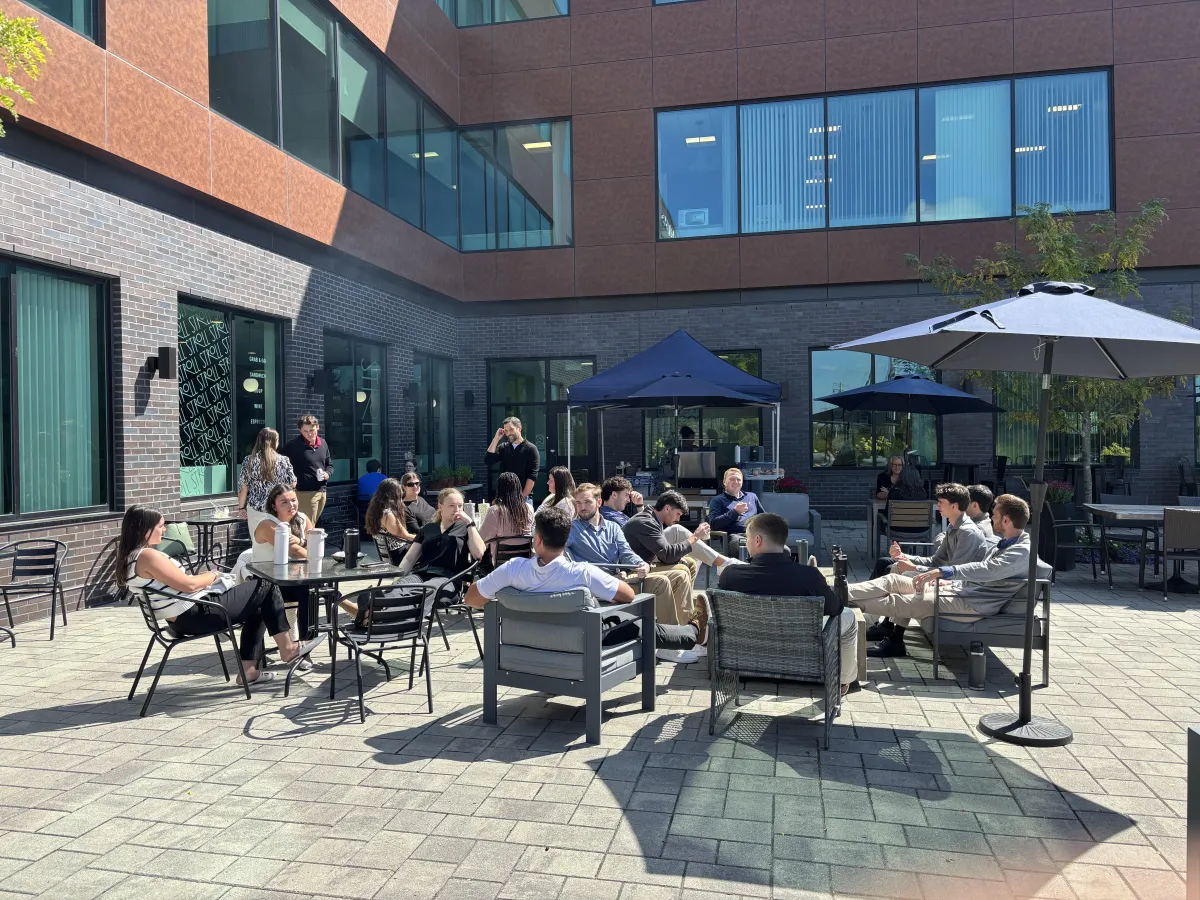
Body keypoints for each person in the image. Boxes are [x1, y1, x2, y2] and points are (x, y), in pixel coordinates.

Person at [465, 506, 708, 664]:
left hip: (523, 647)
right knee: (639, 623)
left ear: (537, 540)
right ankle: (692, 633)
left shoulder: (512, 570)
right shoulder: (583, 573)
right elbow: (627, 595)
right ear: (566, 538)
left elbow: (472, 599)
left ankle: (690, 633)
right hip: (578, 646)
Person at [848, 494, 1052, 658]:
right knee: (893, 580)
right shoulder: (1006, 542)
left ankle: (844, 603)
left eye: (994, 515)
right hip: (961, 591)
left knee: (901, 600)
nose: (990, 518)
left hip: (973, 604)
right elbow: (972, 568)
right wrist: (948, 582)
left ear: (1006, 520)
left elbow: (988, 571)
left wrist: (947, 573)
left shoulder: (1022, 551)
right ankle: (840, 592)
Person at [118, 506, 301, 686]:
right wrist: (212, 575)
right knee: (266, 585)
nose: (164, 530)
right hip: (196, 614)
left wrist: (203, 579)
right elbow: (189, 585)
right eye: (160, 526)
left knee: (258, 602)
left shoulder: (130, 558)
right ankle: (287, 648)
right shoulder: (148, 556)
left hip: (183, 618)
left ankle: (249, 672)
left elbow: (181, 584)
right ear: (145, 530)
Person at [718, 513, 859, 693]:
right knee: (848, 616)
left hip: (748, 653)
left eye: (747, 538)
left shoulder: (731, 575)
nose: (746, 542)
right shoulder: (809, 576)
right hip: (799, 650)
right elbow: (835, 609)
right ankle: (843, 681)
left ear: (758, 540)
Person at [566, 483, 699, 663]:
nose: (582, 507)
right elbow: (558, 552)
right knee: (661, 582)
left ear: (598, 502)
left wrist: (641, 564)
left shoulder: (613, 527)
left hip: (620, 578)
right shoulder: (572, 529)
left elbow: (627, 552)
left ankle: (682, 634)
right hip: (599, 584)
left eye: (587, 502)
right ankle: (667, 645)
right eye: (578, 503)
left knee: (679, 575)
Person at [866, 483, 989, 641]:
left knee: (907, 573)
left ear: (954, 506)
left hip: (959, 588)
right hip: (947, 578)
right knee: (897, 566)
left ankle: (895, 637)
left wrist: (913, 567)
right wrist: (904, 556)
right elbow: (936, 560)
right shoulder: (954, 527)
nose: (937, 505)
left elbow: (956, 572)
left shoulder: (968, 532)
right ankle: (890, 628)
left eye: (941, 502)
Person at [623, 491, 728, 626]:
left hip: (645, 565)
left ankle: (683, 614)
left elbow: (665, 554)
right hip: (633, 571)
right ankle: (686, 626)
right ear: (667, 508)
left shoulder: (653, 518)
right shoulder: (646, 522)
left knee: (689, 563)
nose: (678, 519)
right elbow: (668, 555)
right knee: (681, 574)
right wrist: (695, 537)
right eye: (678, 514)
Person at [395, 487, 487, 618]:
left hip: (448, 579)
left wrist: (469, 523)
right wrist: (397, 578)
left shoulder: (465, 529)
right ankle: (370, 612)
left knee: (426, 590)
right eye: (452, 505)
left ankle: (393, 616)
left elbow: (479, 554)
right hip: (422, 574)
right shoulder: (427, 528)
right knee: (398, 587)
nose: (457, 510)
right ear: (440, 506)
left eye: (460, 506)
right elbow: (409, 559)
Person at [236, 427, 296, 534]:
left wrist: (241, 508)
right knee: (279, 541)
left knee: (257, 542)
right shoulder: (284, 460)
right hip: (277, 507)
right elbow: (292, 483)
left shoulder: (248, 460)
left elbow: (243, 488)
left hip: (255, 508)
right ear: (274, 442)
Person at [282, 415, 334, 525]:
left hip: (322, 491)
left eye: (312, 430)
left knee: (312, 524)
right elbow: (279, 463)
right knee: (307, 526)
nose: (309, 434)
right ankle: (304, 542)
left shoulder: (323, 444)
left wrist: (327, 473)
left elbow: (329, 465)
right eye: (305, 431)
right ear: (300, 430)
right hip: (304, 493)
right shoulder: (293, 446)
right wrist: (291, 481)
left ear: (318, 427)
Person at [365, 478, 417, 565]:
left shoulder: (376, 511)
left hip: (391, 554)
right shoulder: (388, 515)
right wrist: (423, 539)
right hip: (399, 555)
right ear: (394, 494)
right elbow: (405, 535)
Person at [485, 417, 539, 500]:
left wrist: (522, 497)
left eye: (511, 429)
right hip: (503, 497)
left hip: (522, 497)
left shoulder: (531, 449)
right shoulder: (503, 447)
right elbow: (488, 460)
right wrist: (496, 438)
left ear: (519, 428)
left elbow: (532, 476)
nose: (508, 433)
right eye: (506, 431)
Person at [480, 472, 534, 555]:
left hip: (502, 564)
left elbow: (482, 538)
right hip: (525, 562)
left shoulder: (495, 511)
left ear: (499, 489)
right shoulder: (529, 509)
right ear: (519, 488)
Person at [707, 467, 763, 536]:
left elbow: (763, 517)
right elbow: (714, 524)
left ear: (742, 482)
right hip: (736, 536)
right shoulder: (717, 500)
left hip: (756, 534)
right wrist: (735, 512)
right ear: (724, 482)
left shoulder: (752, 496)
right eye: (732, 479)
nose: (736, 482)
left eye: (738, 479)